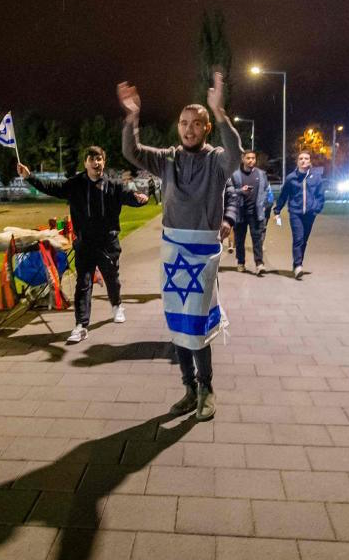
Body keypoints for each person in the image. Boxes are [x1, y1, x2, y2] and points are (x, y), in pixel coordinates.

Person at [119, 71, 241, 420]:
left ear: (205, 128)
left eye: (196, 123)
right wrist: (132, 118)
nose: (188, 128)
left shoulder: (217, 160)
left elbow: (236, 152)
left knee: (197, 323)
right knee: (177, 321)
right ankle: (188, 388)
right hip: (173, 251)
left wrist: (220, 113)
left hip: (202, 254)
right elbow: (132, 151)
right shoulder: (168, 158)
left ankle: (207, 389)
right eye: (183, 123)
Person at [18, 147, 147, 343]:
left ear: (104, 162)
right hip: (85, 244)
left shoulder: (113, 185)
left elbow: (130, 197)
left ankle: (117, 305)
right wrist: (30, 177)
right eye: (92, 159)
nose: (96, 163)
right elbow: (52, 187)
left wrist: (140, 199)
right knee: (83, 284)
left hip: (107, 243)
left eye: (99, 159)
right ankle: (81, 325)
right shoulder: (75, 185)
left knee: (112, 279)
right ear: (85, 163)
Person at [274, 151, 325, 279]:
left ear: (310, 161)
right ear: (297, 161)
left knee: (304, 241)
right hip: (295, 213)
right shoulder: (292, 178)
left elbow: (320, 195)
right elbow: (284, 195)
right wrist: (277, 210)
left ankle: (297, 263)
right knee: (298, 238)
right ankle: (298, 265)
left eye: (306, 158)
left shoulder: (316, 177)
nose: (303, 160)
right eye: (301, 158)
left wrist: (316, 209)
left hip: (309, 214)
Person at [231, 150, 274, 275]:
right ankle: (241, 262)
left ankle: (259, 263)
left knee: (257, 239)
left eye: (253, 158)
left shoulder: (261, 174)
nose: (251, 160)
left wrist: (265, 205)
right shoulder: (235, 175)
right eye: (248, 158)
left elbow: (266, 190)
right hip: (240, 212)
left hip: (256, 213)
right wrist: (240, 191)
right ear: (243, 159)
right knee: (239, 239)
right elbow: (229, 192)